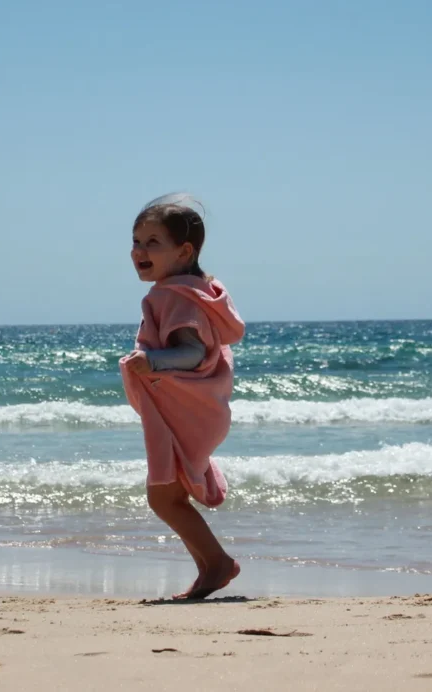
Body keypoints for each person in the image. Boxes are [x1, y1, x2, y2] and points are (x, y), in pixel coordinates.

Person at [119, 194, 245, 599]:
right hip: (202, 410)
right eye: (137, 241)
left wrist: (151, 361)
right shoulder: (195, 291)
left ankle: (218, 563)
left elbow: (191, 353)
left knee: (163, 496)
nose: (140, 251)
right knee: (167, 495)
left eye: (153, 242)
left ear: (184, 250)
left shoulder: (171, 295)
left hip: (185, 413)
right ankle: (210, 567)